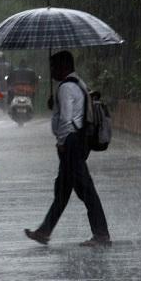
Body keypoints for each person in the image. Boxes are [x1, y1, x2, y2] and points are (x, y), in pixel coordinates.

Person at [25, 50, 110, 247]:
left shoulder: (65, 88)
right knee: (62, 191)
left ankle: (101, 234)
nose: (52, 71)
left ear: (64, 67)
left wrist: (62, 142)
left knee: (86, 190)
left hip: (71, 142)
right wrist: (54, 105)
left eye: (54, 67)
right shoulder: (78, 84)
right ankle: (44, 231)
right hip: (77, 141)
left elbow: (66, 119)